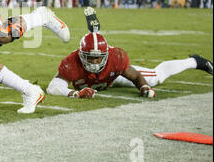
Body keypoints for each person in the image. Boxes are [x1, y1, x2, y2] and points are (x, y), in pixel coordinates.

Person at [46, 8, 213, 99]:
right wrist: (75, 93)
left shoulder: (115, 58)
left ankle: (194, 61)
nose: (95, 62)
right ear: (81, 55)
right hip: (103, 80)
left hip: (113, 76)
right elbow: (53, 87)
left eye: (99, 57)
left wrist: (144, 87)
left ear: (106, 54)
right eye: (90, 57)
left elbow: (135, 76)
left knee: (155, 77)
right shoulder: (72, 61)